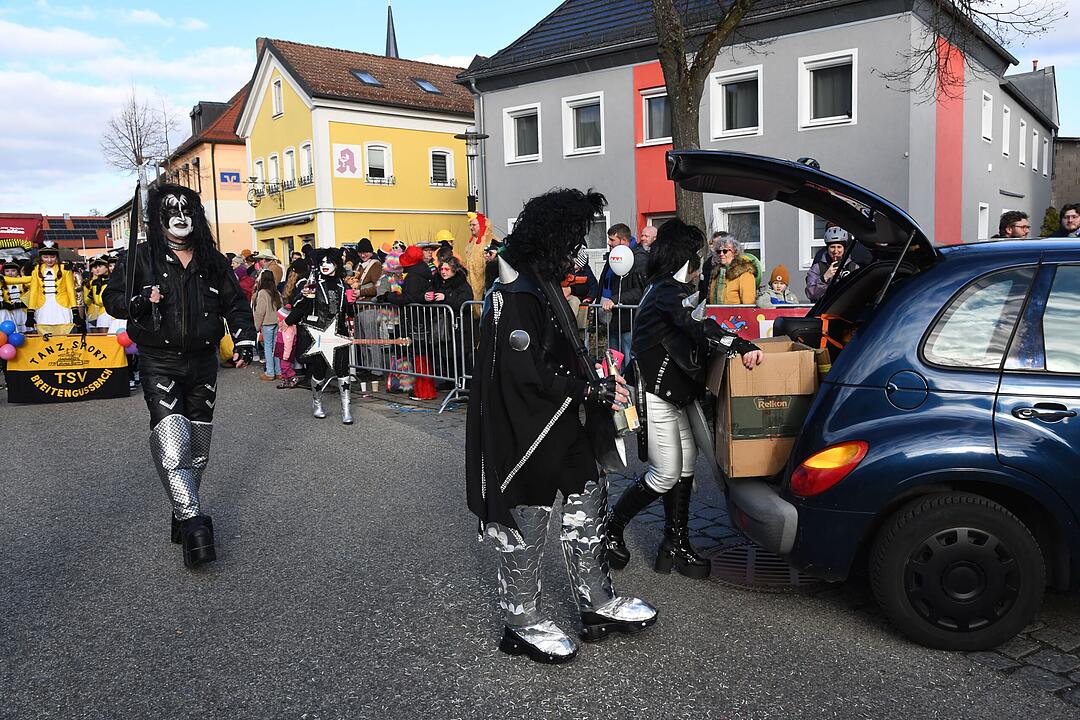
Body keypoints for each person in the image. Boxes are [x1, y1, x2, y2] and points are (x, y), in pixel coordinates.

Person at [466, 188, 657, 665]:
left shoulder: (542, 279)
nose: (578, 247)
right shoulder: (515, 290)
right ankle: (520, 619)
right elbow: (523, 371)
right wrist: (587, 389)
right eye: (574, 235)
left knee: (586, 499)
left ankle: (596, 604)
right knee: (529, 513)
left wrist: (595, 381)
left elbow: (561, 350)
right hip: (528, 426)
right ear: (552, 234)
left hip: (565, 416)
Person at [103, 183, 256, 569]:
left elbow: (235, 302)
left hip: (204, 364)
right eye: (171, 209)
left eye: (187, 208)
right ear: (158, 217)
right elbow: (112, 298)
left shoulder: (212, 260)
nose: (180, 215)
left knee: (199, 452)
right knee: (174, 446)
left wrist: (245, 339)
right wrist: (138, 302)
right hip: (160, 361)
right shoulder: (141, 257)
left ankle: (180, 511)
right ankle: (193, 521)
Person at [605, 219, 763, 578]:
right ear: (685, 255)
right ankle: (610, 528)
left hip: (675, 393)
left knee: (687, 465)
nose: (702, 260)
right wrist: (739, 345)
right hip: (657, 393)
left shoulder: (669, 288)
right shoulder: (666, 292)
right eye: (697, 254)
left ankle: (674, 545)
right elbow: (698, 327)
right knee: (665, 474)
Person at [286, 248, 356, 424]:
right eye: (322, 262)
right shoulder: (312, 284)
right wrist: (289, 319)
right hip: (319, 334)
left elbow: (348, 311)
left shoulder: (343, 285)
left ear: (336, 264)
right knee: (319, 371)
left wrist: (352, 305)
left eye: (329, 262)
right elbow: (299, 305)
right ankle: (317, 403)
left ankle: (346, 409)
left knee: (342, 370)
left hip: (339, 333)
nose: (325, 265)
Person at [598, 223, 647, 371]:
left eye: (612, 240)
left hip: (629, 322)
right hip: (615, 320)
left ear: (624, 241)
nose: (608, 243)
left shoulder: (639, 259)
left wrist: (615, 299)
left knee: (630, 365)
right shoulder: (615, 255)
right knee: (613, 365)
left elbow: (640, 291)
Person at [3, 241, 78, 335]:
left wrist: (75, 312)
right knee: (44, 335)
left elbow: (71, 291)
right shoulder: (36, 270)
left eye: (52, 257)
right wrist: (30, 313)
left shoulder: (65, 269)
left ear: (57, 257)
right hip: (43, 308)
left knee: (63, 333)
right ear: (41, 257)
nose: (49, 260)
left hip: (62, 307)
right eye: (45, 257)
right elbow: (34, 293)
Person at [700, 231, 763, 304]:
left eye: (725, 251)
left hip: (736, 314)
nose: (721, 254)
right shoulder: (716, 273)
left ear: (734, 252)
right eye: (718, 251)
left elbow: (748, 304)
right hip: (715, 314)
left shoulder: (745, 275)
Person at [805, 226, 860, 302]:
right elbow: (811, 294)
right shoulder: (817, 268)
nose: (835, 251)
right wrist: (824, 278)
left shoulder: (853, 267)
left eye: (839, 247)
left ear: (844, 248)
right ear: (827, 248)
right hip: (825, 309)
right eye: (832, 247)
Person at [252, 269, 283, 381]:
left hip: (267, 323)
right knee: (276, 348)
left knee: (268, 348)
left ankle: (270, 372)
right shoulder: (276, 292)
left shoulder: (262, 293)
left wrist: (256, 326)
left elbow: (260, 311)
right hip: (277, 322)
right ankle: (279, 371)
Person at [83, 255, 115, 329]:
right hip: (100, 313)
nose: (97, 269)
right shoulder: (94, 282)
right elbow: (95, 301)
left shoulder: (115, 280)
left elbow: (101, 300)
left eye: (100, 266)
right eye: (95, 267)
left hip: (112, 313)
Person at [1, 260, 30, 332]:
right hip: (10, 311)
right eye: (7, 271)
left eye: (13, 270)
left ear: (18, 271)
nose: (10, 273)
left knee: (25, 329)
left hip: (22, 311)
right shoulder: (2, 284)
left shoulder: (23, 282)